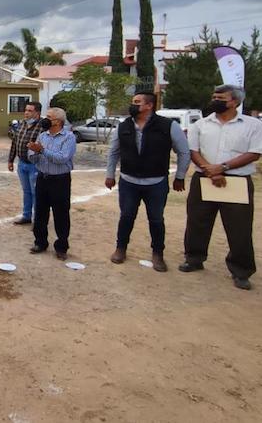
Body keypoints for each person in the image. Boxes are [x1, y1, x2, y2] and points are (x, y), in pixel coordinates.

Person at [179, 85, 262, 290]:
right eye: (214, 96)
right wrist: (210, 171)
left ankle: (241, 270)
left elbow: (254, 153)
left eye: (220, 97)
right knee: (197, 222)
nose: (214, 99)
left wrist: (222, 167)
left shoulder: (252, 125)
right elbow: (193, 150)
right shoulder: (201, 124)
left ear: (234, 102)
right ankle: (194, 258)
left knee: (239, 228)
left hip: (237, 181)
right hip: (204, 179)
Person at [105, 92, 190, 271]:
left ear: (149, 105)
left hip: (156, 182)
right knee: (126, 216)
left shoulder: (168, 126)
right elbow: (113, 152)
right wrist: (110, 174)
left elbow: (183, 152)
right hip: (129, 181)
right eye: (133, 102)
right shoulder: (123, 126)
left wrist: (180, 176)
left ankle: (158, 254)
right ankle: (121, 248)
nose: (133, 105)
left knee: (156, 219)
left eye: (137, 102)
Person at [27, 107, 76, 260]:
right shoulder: (42, 136)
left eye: (49, 117)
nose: (45, 119)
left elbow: (62, 158)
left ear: (58, 121)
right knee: (40, 212)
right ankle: (40, 242)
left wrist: (42, 151)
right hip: (42, 178)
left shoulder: (69, 137)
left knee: (61, 214)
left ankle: (61, 247)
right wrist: (33, 151)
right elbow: (33, 156)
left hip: (60, 180)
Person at [8, 102, 44, 225]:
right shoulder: (22, 124)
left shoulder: (42, 127)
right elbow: (15, 143)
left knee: (36, 193)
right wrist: (10, 160)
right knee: (27, 191)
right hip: (22, 164)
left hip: (35, 165)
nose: (26, 113)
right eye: (26, 110)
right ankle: (27, 215)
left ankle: (37, 219)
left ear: (37, 113)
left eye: (29, 110)